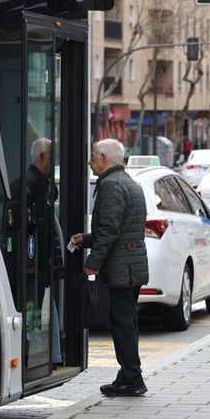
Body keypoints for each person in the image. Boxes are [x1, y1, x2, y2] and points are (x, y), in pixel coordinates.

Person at [71, 138, 149, 397]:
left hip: (121, 270)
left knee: (122, 324)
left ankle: (132, 378)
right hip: (132, 268)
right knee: (128, 323)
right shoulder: (130, 183)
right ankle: (128, 374)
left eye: (93, 156)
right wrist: (87, 239)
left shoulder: (111, 186)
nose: (90, 162)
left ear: (105, 158)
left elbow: (110, 231)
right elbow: (120, 229)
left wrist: (92, 264)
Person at [13, 138, 65, 364]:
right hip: (32, 264)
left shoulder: (43, 184)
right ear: (42, 158)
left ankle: (52, 355)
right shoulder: (27, 185)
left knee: (38, 311)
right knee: (29, 314)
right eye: (51, 158)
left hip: (41, 263)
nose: (54, 164)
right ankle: (25, 358)